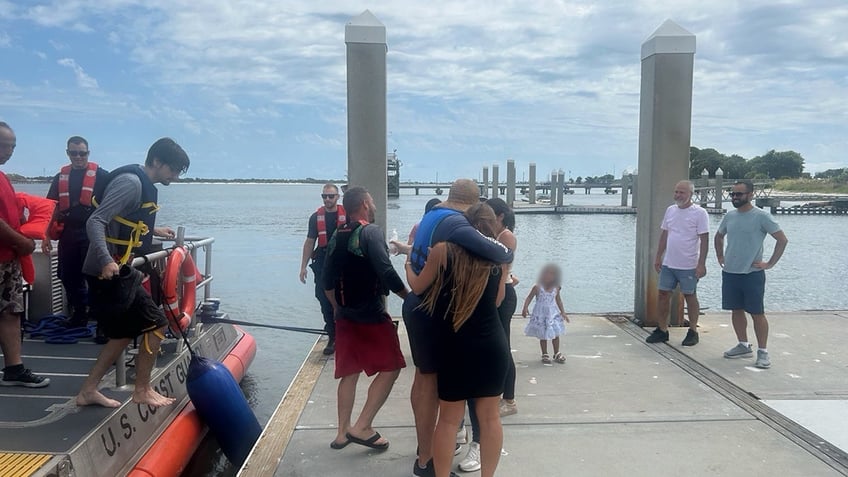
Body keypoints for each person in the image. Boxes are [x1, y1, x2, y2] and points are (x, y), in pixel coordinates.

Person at [392, 179, 512, 477]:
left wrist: (408, 262)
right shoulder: (495, 259)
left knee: (448, 419)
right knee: (489, 417)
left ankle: (435, 469)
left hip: (455, 344)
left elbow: (417, 286)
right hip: (492, 343)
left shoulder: (443, 251)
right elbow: (498, 300)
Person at [75, 137, 189, 408]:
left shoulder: (140, 184)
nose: (174, 176)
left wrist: (154, 230)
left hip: (119, 269)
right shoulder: (131, 183)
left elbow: (125, 220)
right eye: (173, 170)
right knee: (157, 322)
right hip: (108, 270)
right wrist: (105, 260)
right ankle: (142, 390)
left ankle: (88, 390)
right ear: (158, 162)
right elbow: (97, 220)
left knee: (123, 332)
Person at [322, 186, 408, 451]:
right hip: (370, 315)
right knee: (392, 367)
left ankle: (341, 434)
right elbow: (386, 272)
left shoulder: (338, 234)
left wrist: (337, 307)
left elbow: (326, 280)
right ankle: (362, 426)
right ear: (364, 205)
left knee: (349, 372)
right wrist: (411, 297)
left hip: (345, 315)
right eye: (371, 201)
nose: (373, 205)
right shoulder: (370, 232)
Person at [459, 197, 519, 473]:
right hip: (482, 324)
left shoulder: (498, 249)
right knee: (481, 406)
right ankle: (471, 441)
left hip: (482, 323)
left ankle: (507, 401)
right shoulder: (481, 253)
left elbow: (499, 293)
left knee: (480, 402)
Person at [715, 180, 788, 369]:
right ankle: (743, 344)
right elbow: (718, 236)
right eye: (733, 194)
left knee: (757, 313)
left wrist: (769, 264)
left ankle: (763, 351)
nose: (735, 197)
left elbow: (782, 240)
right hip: (730, 272)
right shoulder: (729, 216)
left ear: (750, 195)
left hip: (752, 273)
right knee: (736, 309)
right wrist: (720, 255)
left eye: (739, 194)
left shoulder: (761, 216)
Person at [0, 122, 49, 388]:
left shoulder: (4, 178)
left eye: (12, 146)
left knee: (10, 312)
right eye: (3, 145)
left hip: (9, 260)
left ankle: (13, 369)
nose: (9, 151)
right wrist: (23, 242)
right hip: (8, 253)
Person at [42, 136, 109, 329]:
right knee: (68, 275)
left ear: (88, 153)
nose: (78, 157)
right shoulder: (60, 177)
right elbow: (51, 208)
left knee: (97, 277)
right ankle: (79, 315)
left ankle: (103, 323)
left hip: (93, 233)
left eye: (82, 153)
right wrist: (45, 235)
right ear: (68, 153)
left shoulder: (102, 176)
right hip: (69, 233)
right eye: (74, 153)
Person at [645, 180, 709, 346]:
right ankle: (662, 329)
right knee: (663, 294)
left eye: (682, 192)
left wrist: (701, 263)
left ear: (691, 194)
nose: (678, 195)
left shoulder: (700, 213)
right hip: (669, 263)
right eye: (676, 192)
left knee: (690, 295)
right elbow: (665, 234)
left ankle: (693, 330)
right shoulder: (670, 210)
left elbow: (704, 238)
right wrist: (658, 256)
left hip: (688, 264)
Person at [299, 183, 345, 355]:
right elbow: (310, 241)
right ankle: (332, 335)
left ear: (337, 197)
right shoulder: (315, 218)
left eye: (330, 196)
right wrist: (303, 266)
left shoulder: (346, 215)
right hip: (323, 261)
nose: (327, 199)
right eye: (324, 196)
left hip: (342, 261)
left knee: (343, 297)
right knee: (323, 297)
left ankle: (345, 332)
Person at [522, 264, 570, 364]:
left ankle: (557, 352)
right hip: (541, 314)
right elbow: (529, 297)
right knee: (543, 334)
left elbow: (559, 300)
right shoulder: (537, 287)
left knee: (555, 333)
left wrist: (563, 312)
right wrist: (525, 307)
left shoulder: (556, 288)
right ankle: (545, 353)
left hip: (552, 313)